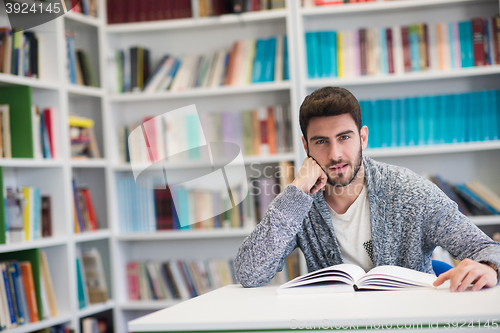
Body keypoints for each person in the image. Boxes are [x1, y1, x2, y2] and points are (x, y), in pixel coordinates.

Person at [235, 86, 500, 292]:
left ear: (363, 137)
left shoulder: (410, 191)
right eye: (321, 142)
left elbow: (487, 249)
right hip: (337, 325)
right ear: (306, 146)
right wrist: (295, 192)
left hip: (410, 322)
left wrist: (489, 268)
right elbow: (249, 273)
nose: (335, 154)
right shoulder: (299, 202)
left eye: (344, 137)